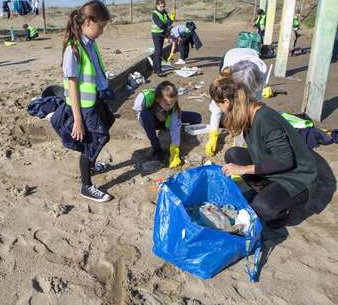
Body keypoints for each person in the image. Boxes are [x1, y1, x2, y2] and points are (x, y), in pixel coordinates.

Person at [210, 77, 318, 228]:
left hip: (297, 177)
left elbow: (286, 161)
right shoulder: (248, 111)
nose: (220, 110)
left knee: (262, 207)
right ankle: (266, 190)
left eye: (219, 105)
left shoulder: (265, 118)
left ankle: (280, 214)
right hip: (274, 166)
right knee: (232, 155)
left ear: (227, 102)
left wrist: (243, 169)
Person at [54, 0, 114, 202]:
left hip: (95, 100)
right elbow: (72, 87)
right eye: (101, 26)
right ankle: (86, 186)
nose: (102, 32)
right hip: (84, 108)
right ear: (88, 21)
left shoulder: (90, 44)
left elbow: (95, 72)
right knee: (94, 141)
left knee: (104, 131)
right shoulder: (73, 49)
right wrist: (78, 120)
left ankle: (91, 165)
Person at [206, 48, 267, 157]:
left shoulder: (260, 76)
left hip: (251, 57)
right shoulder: (227, 74)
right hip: (231, 56)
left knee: (245, 109)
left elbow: (255, 106)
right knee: (226, 107)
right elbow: (217, 102)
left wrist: (240, 139)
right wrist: (213, 134)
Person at [133, 81, 202, 167]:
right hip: (150, 120)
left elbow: (174, 129)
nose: (171, 106)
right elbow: (140, 116)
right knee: (145, 115)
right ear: (158, 99)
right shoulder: (144, 99)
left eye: (173, 103)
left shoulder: (172, 107)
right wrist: (156, 112)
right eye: (168, 104)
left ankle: (180, 128)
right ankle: (157, 149)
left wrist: (175, 150)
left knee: (197, 117)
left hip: (166, 121)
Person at [151, 0, 172, 76]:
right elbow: (160, 24)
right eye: (161, 6)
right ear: (157, 5)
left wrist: (170, 20)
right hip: (156, 34)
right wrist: (166, 25)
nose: (163, 8)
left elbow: (169, 22)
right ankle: (158, 70)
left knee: (158, 51)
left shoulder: (164, 12)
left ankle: (155, 68)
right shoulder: (155, 14)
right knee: (158, 51)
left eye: (164, 6)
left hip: (162, 33)